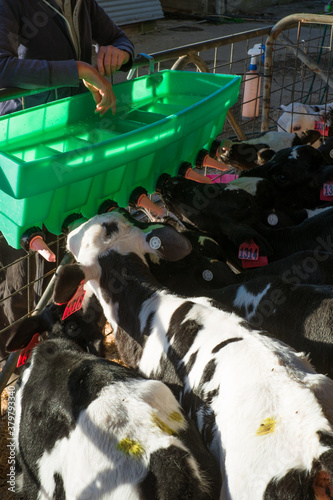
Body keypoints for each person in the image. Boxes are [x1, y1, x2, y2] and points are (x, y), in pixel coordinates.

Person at [0, 0, 135, 366]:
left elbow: (121, 39)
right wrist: (76, 69)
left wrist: (119, 54)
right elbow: (2, 67)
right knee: (22, 265)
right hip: (25, 148)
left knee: (66, 250)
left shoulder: (81, 2)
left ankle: (62, 343)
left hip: (72, 141)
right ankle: (16, 361)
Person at [0, 0, 135, 116]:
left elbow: (118, 38)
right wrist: (78, 69)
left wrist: (121, 53)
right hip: (25, 120)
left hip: (76, 114)